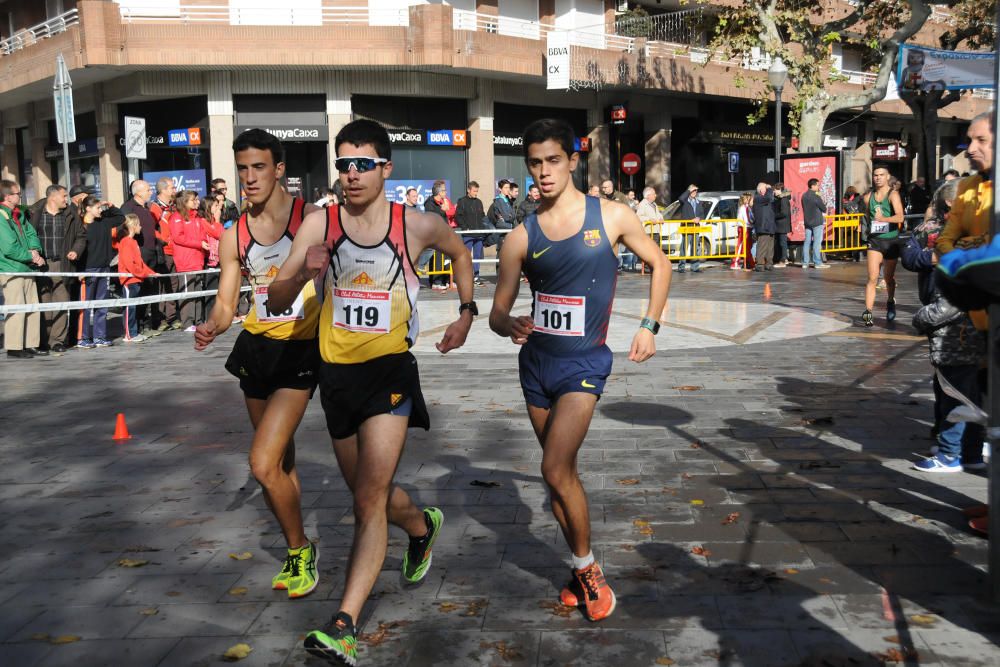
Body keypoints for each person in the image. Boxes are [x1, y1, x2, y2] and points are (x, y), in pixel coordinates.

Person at [267, 119, 475, 666]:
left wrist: (466, 312)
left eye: (362, 164)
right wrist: (302, 274)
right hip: (336, 378)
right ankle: (422, 525)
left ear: (386, 168)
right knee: (373, 495)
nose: (351, 174)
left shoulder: (417, 225)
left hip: (390, 376)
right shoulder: (321, 224)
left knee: (365, 501)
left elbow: (460, 254)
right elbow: (275, 295)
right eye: (343, 164)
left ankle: (343, 625)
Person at [489, 118, 671, 624]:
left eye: (553, 160)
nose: (544, 172)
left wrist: (649, 326)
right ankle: (577, 567)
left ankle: (589, 569)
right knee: (559, 480)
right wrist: (510, 324)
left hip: (584, 365)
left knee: (553, 468)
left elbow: (661, 264)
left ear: (572, 160)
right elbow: (497, 313)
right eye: (534, 163)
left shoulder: (611, 217)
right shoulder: (519, 236)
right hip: (537, 368)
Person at [194, 128, 324, 601]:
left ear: (279, 169)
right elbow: (228, 304)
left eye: (259, 167)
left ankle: (299, 550)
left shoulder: (309, 219)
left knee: (261, 462)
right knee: (280, 463)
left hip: (301, 349)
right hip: (256, 349)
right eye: (243, 168)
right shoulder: (235, 234)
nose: (249, 178)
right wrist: (212, 325)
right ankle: (297, 548)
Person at [900, 180, 986, 472]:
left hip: (957, 331)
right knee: (965, 394)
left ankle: (950, 454)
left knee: (957, 395)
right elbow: (910, 254)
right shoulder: (935, 230)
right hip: (966, 326)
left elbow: (951, 301)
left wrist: (920, 319)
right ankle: (970, 454)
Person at [28, 184, 78, 352]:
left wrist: (75, 250)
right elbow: (27, 236)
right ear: (53, 197)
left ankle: (57, 341)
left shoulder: (70, 213)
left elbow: (80, 236)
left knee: (62, 303)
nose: (67, 199)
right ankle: (43, 340)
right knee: (43, 303)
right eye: (64, 196)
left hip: (61, 264)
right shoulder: (34, 213)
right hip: (41, 265)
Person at [0, 179, 46, 358]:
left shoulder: (18, 214)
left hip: (27, 267)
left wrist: (36, 251)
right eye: (17, 193)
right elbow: (9, 247)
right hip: (11, 268)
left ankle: (30, 343)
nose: (20, 196)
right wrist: (31, 256)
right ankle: (14, 346)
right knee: (17, 307)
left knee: (32, 307)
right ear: (7, 196)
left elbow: (30, 233)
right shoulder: (1, 216)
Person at [936, 111, 993, 256]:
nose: (970, 150)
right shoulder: (965, 185)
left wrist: (965, 244)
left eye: (982, 140)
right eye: (969, 141)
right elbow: (944, 240)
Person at [860, 165, 906, 326]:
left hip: (891, 241)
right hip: (875, 241)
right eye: (875, 175)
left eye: (881, 175)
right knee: (872, 278)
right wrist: (865, 226)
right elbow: (867, 215)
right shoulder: (868, 197)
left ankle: (890, 301)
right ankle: (868, 312)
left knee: (888, 278)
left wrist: (884, 219)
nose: (878, 177)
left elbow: (900, 217)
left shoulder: (893, 195)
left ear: (888, 177)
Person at [78, 196, 123, 348]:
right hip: (89, 269)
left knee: (102, 304)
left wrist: (110, 206)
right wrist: (80, 270)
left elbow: (120, 218)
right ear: (88, 209)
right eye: (97, 208)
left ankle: (100, 336)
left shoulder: (103, 222)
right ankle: (83, 338)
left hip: (104, 267)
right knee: (86, 305)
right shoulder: (80, 225)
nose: (100, 210)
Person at [121, 180, 161, 335]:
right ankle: (134, 328)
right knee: (136, 292)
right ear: (137, 192)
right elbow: (122, 229)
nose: (151, 192)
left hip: (150, 252)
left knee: (147, 291)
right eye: (148, 189)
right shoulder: (128, 208)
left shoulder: (148, 208)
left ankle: (145, 324)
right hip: (138, 253)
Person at [167, 190, 209, 332]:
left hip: (198, 260)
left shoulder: (197, 218)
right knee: (187, 293)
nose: (197, 202)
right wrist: (199, 243)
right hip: (185, 262)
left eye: (197, 199)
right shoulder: (176, 217)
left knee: (197, 292)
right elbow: (178, 237)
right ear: (185, 202)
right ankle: (187, 322)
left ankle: (197, 320)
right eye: (193, 200)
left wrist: (203, 243)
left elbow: (203, 235)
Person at [116, 213, 158, 343]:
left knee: (134, 307)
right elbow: (130, 265)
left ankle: (134, 332)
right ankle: (129, 334)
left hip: (136, 280)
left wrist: (151, 272)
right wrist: (144, 273)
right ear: (133, 226)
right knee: (130, 308)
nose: (140, 227)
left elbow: (140, 263)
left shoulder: (133, 242)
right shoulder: (126, 242)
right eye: (138, 224)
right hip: (129, 281)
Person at [150, 177, 180, 330]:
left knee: (173, 285)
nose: (174, 190)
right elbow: (152, 229)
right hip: (163, 252)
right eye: (171, 188)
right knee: (161, 286)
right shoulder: (155, 208)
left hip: (175, 251)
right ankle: (160, 319)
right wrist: (164, 240)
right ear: (163, 190)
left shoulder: (173, 207)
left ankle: (172, 317)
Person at [423, 181, 456, 290]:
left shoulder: (443, 202)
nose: (446, 192)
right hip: (435, 235)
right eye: (444, 190)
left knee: (446, 257)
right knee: (436, 257)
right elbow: (432, 217)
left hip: (445, 233)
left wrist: (445, 210)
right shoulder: (429, 203)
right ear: (439, 192)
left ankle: (445, 280)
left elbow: (450, 212)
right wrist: (443, 210)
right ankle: (436, 281)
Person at [455, 180, 486, 286]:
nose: (476, 193)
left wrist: (484, 228)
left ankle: (476, 276)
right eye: (474, 191)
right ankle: (466, 276)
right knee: (466, 256)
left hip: (479, 233)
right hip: (468, 233)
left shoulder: (479, 202)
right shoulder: (462, 201)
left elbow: (482, 216)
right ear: (468, 190)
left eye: (477, 191)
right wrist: (465, 227)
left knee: (477, 255)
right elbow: (458, 216)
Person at [199, 194, 225, 318]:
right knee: (211, 289)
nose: (218, 208)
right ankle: (210, 315)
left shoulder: (213, 221)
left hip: (219, 257)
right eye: (215, 205)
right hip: (209, 259)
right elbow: (217, 233)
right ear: (209, 207)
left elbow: (223, 235)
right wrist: (218, 220)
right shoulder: (203, 221)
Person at [801, 178, 829, 269]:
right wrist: (820, 197)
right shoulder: (816, 196)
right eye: (817, 185)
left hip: (807, 222)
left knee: (807, 242)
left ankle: (805, 263)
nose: (818, 187)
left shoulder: (804, 196)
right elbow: (823, 208)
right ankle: (817, 262)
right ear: (812, 186)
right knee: (817, 243)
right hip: (817, 222)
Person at [635, 186, 663, 271]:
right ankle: (647, 267)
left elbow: (658, 214)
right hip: (648, 231)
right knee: (649, 250)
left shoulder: (654, 204)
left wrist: (661, 218)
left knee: (656, 250)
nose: (655, 195)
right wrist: (649, 219)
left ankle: (654, 266)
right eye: (653, 194)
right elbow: (638, 216)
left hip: (656, 230)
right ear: (648, 195)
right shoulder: (643, 204)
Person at [676, 184, 702, 273]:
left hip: (696, 228)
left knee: (695, 248)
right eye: (693, 190)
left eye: (695, 191)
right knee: (684, 247)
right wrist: (688, 190)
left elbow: (702, 213)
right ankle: (681, 267)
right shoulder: (685, 201)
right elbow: (680, 198)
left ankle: (695, 267)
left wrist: (699, 218)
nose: (694, 192)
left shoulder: (699, 202)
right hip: (687, 227)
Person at [752, 182, 776, 272]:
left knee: (770, 247)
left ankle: (769, 263)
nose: (768, 191)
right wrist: (769, 188)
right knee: (762, 246)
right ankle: (760, 264)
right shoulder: (758, 198)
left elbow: (772, 200)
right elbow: (769, 197)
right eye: (766, 189)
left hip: (769, 225)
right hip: (763, 225)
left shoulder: (766, 198)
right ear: (761, 190)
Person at [488, 179, 517, 253]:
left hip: (507, 229)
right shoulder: (499, 200)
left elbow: (513, 215)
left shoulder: (507, 200)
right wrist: (510, 218)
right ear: (500, 189)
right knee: (501, 253)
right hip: (503, 231)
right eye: (506, 188)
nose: (508, 190)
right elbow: (507, 216)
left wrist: (510, 216)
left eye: (509, 187)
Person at [731, 192, 755, 270]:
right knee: (741, 245)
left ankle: (749, 263)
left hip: (747, 228)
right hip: (744, 228)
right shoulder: (743, 207)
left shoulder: (746, 207)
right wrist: (753, 222)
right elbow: (747, 219)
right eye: (749, 198)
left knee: (747, 247)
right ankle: (735, 262)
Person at [772, 183, 791, 267]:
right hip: (780, 224)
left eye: (775, 190)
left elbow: (784, 213)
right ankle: (783, 259)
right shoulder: (780, 199)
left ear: (780, 190)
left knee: (782, 243)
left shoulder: (783, 199)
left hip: (782, 225)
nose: (774, 192)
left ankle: (783, 260)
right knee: (781, 242)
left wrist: (774, 216)